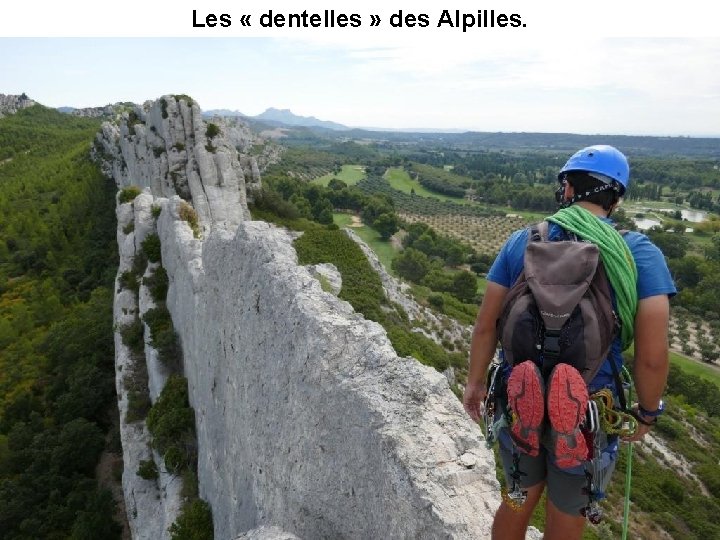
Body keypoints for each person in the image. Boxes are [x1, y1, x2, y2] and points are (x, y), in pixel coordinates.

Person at [463, 145, 676, 540]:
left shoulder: (522, 241)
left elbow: (485, 325)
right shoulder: (638, 253)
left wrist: (475, 383)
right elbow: (651, 356)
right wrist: (647, 412)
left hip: (519, 395)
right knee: (567, 516)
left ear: (566, 189)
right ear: (615, 197)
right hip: (589, 407)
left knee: (516, 498)